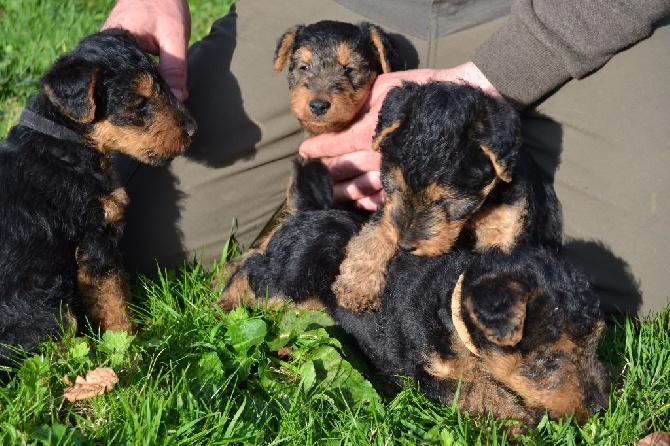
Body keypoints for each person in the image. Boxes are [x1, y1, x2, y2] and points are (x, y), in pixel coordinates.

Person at [104, 0, 670, 316]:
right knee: (150, 244)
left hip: (547, 13)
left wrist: (505, 72)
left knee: (648, 279)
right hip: (328, 6)